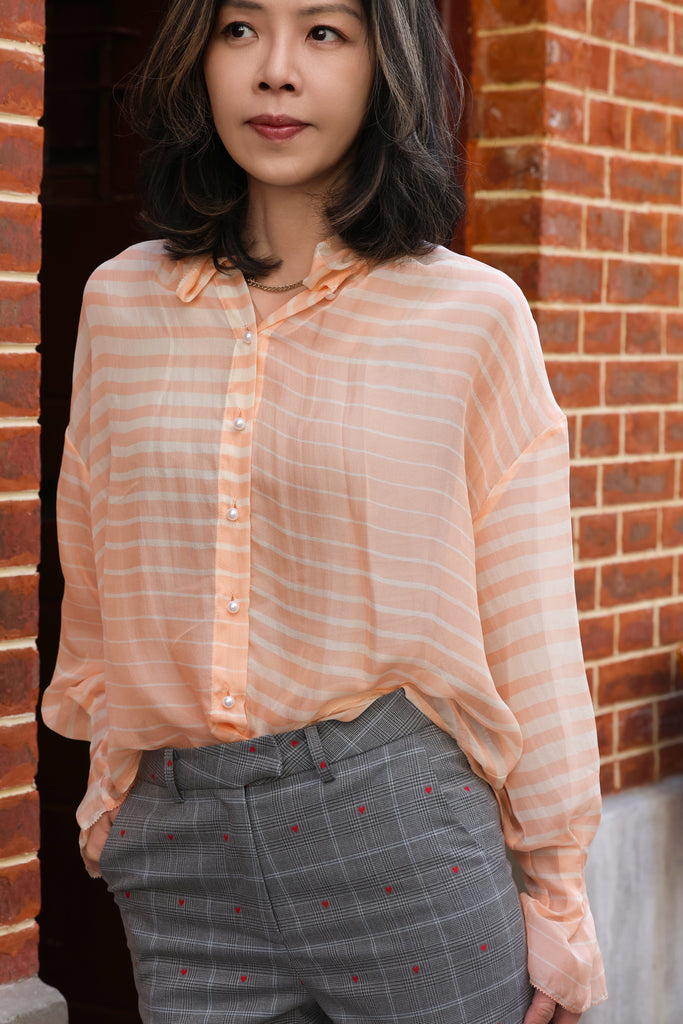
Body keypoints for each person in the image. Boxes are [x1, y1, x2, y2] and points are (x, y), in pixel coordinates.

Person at [42, 0, 607, 1021]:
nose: (275, 72)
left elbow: (527, 616)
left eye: (323, 33)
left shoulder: (470, 318)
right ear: (196, 57)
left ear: (380, 63)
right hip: (182, 850)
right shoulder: (118, 305)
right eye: (240, 29)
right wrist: (111, 788)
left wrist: (556, 889)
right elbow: (97, 558)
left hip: (397, 822)